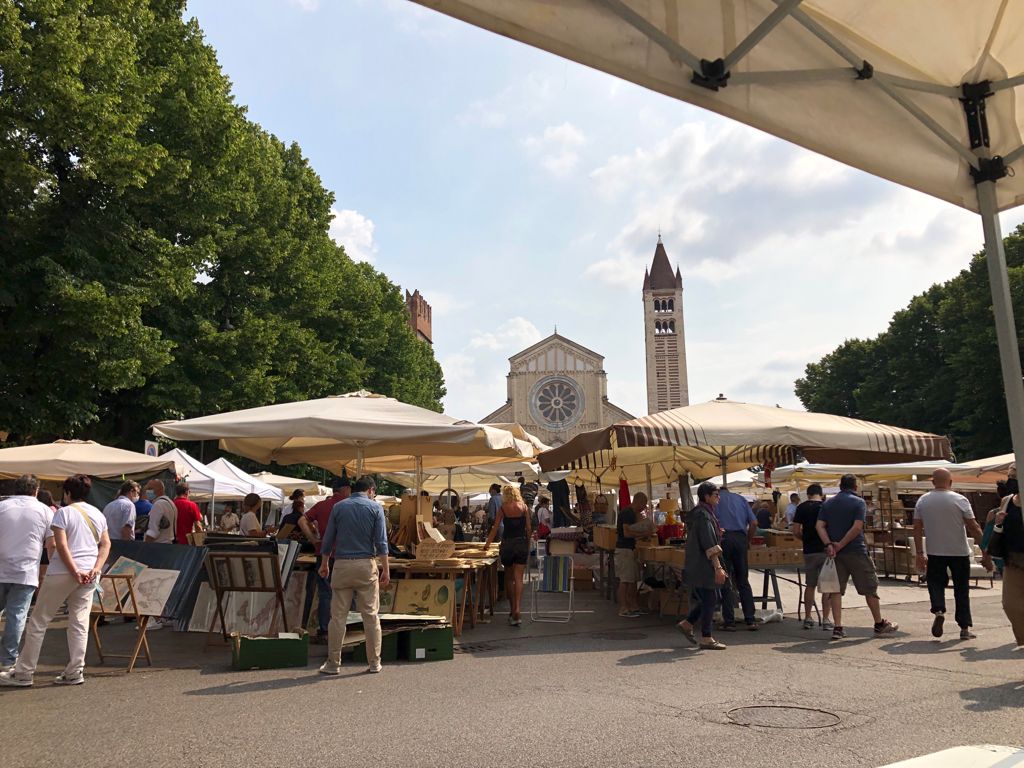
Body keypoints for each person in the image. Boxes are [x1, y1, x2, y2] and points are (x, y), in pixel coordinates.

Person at [1, 475, 110, 688]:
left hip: (63, 572)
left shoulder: (63, 513)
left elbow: (61, 546)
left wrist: (73, 570)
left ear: (67, 493)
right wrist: (95, 569)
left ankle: (24, 672)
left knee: (39, 621)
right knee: (79, 623)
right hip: (89, 572)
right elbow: (105, 544)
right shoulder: (97, 513)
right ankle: (75, 671)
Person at [318, 476, 390, 675]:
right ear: (370, 490)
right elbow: (382, 542)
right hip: (366, 565)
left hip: (341, 564)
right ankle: (374, 662)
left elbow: (328, 539)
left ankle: (333, 663)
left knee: (338, 617)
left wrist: (324, 563)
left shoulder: (339, 507)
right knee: (371, 616)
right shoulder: (375, 509)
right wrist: (386, 568)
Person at [816, 474, 898, 640]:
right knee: (870, 588)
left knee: (836, 590)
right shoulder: (859, 502)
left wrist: (829, 544)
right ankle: (878, 623)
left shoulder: (828, 503)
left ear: (840, 486)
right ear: (855, 487)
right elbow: (857, 527)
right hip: (856, 551)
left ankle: (838, 627)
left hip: (836, 554)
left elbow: (819, 526)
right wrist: (842, 543)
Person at [913, 468, 983, 640]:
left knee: (935, 583)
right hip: (958, 551)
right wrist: (985, 547)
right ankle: (964, 627)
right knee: (961, 589)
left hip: (935, 551)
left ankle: (938, 610)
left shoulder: (923, 501)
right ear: (950, 482)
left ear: (932, 482)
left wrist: (920, 553)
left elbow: (916, 528)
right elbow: (972, 526)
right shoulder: (960, 499)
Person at [0, 475, 54, 673]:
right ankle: (8, 660)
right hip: (26, 571)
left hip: (1, 566)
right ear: (36, 491)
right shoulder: (44, 510)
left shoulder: (2, 507)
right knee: (16, 616)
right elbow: (52, 543)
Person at [676, 482, 729, 650]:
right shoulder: (703, 515)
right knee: (711, 597)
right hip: (704, 564)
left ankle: (688, 623)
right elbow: (709, 543)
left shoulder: (703, 513)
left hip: (698, 563)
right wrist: (718, 567)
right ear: (706, 496)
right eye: (716, 495)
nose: (718, 498)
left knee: (709, 598)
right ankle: (706, 636)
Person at [303, 479, 351, 643]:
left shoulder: (322, 505)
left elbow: (302, 520)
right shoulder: (348, 505)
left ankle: (324, 631)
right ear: (345, 489)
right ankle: (347, 630)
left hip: (323, 553)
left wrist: (312, 538)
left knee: (325, 593)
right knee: (346, 592)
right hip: (345, 554)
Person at [982, 470, 1024, 647]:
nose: (1012, 479)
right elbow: (994, 532)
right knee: (1010, 604)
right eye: (1011, 476)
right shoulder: (1007, 501)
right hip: (1013, 561)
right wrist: (999, 522)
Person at [485, 484, 532, 626]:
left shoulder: (503, 508)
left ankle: (512, 610)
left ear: (505, 495)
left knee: (509, 577)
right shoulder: (524, 507)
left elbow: (495, 528)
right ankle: (517, 609)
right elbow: (529, 529)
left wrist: (486, 545)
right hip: (521, 543)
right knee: (519, 578)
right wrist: (527, 544)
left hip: (507, 544)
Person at [715, 486, 759, 631]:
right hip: (740, 539)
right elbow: (754, 523)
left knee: (726, 580)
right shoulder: (740, 499)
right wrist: (748, 540)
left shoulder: (715, 500)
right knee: (743, 580)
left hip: (724, 539)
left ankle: (729, 621)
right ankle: (750, 619)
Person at [791, 483, 832, 630]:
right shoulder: (826, 507)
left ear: (808, 494)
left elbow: (795, 530)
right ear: (821, 494)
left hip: (809, 551)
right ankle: (826, 619)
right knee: (827, 586)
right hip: (825, 549)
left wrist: (805, 539)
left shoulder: (801, 507)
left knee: (810, 585)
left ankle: (808, 617)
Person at [613, 491, 650, 618]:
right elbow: (627, 533)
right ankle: (623, 608)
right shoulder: (628, 513)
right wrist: (643, 534)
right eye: (644, 504)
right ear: (638, 502)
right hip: (624, 550)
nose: (644, 507)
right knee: (625, 580)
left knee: (633, 579)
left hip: (630, 549)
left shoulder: (633, 513)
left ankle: (633, 606)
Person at [143, 479, 177, 543]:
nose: (147, 491)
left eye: (150, 488)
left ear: (159, 489)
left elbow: (153, 532)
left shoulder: (158, 504)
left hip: (157, 547)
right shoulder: (170, 503)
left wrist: (144, 547)